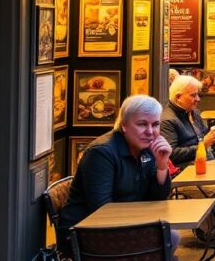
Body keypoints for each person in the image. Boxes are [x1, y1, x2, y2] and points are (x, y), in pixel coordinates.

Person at [57, 95, 175, 253]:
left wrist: (162, 164)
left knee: (170, 237)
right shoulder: (101, 153)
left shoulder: (147, 149)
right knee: (167, 240)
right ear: (124, 125)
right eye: (142, 124)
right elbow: (102, 209)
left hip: (121, 225)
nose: (150, 132)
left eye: (155, 125)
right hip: (86, 233)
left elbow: (158, 197)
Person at [161, 75, 215, 168]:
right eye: (193, 95)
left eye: (197, 94)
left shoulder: (193, 112)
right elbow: (171, 155)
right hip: (189, 172)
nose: (198, 99)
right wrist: (203, 145)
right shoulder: (167, 120)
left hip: (206, 164)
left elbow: (204, 140)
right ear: (178, 97)